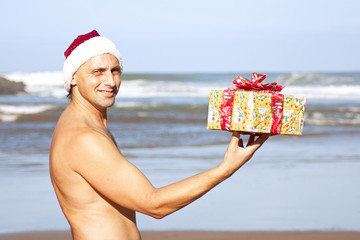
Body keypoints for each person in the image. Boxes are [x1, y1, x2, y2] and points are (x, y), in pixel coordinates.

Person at [49, 30, 269, 240]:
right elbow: (154, 205)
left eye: (115, 70)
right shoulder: (85, 138)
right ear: (73, 78)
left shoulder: (84, 125)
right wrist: (226, 168)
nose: (110, 81)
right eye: (98, 72)